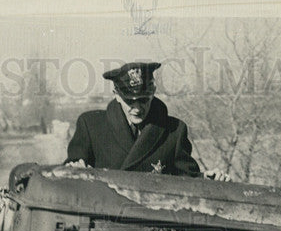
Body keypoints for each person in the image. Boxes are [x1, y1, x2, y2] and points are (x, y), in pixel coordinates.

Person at [66, 61, 205, 177]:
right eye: (130, 101)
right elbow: (68, 174)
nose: (137, 109)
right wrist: (74, 168)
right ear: (117, 96)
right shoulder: (91, 126)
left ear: (153, 93)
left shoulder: (174, 132)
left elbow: (188, 179)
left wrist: (207, 179)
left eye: (144, 100)